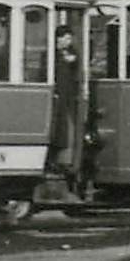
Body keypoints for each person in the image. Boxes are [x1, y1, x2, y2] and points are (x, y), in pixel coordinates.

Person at [49, 24, 82, 177]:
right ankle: (54, 160)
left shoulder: (70, 53)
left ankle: (63, 161)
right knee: (57, 128)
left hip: (67, 95)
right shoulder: (51, 53)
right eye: (67, 38)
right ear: (59, 38)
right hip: (57, 94)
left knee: (65, 127)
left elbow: (76, 66)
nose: (69, 41)